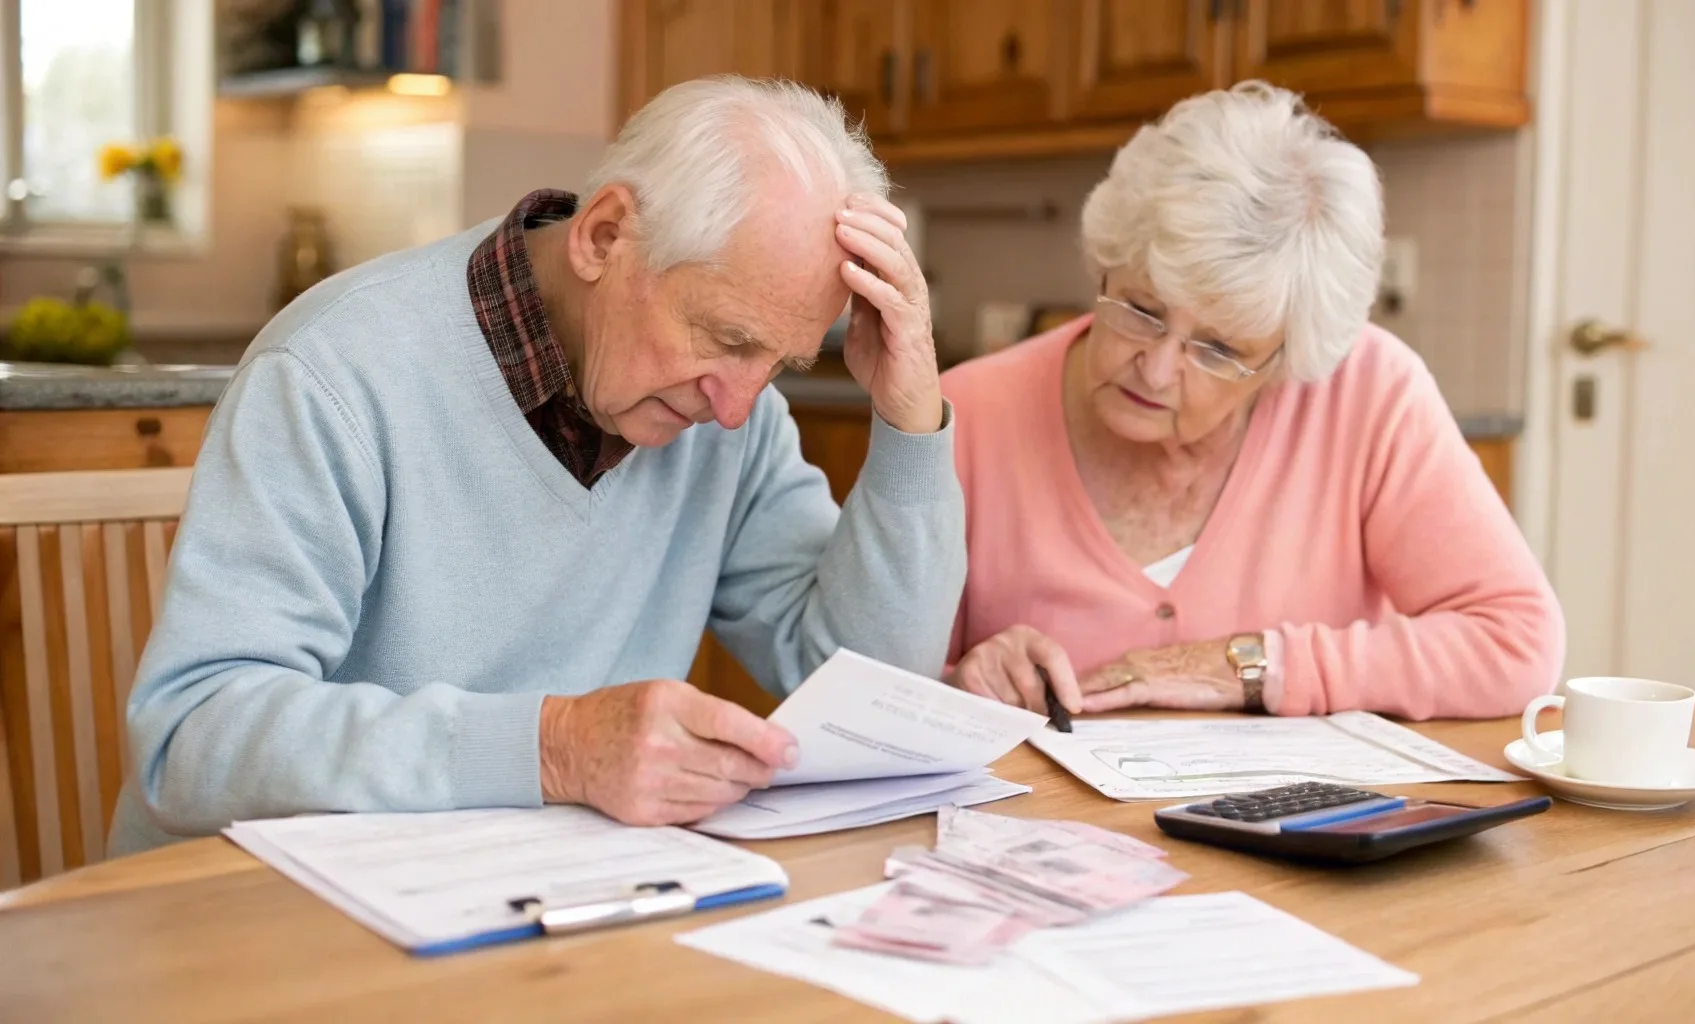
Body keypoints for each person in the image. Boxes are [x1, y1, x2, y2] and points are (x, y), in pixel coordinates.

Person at [110, 76, 964, 855]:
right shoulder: (336, 374)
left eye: (777, 364)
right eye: (727, 339)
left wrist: (909, 423)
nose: (737, 407)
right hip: (260, 916)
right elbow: (191, 736)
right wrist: (553, 747)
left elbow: (865, 692)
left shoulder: (729, 419)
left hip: (527, 904)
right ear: (603, 235)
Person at [941, 82, 1564, 722]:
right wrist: (961, 680)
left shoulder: (1369, 394)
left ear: (1283, 361)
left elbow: (1515, 641)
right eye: (1139, 310)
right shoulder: (965, 415)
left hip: (1296, 817)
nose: (1156, 370)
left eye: (1216, 349)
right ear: (1104, 262)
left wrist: (1256, 665)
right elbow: (864, 673)